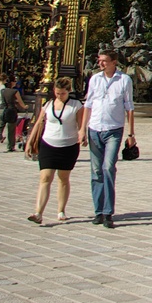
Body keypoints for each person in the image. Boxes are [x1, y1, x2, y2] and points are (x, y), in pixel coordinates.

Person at [79, 49, 136, 229]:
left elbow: (129, 107)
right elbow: (88, 104)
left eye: (104, 60)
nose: (100, 63)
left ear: (113, 62)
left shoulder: (124, 80)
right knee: (96, 170)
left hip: (113, 129)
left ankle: (108, 211)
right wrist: (82, 129)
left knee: (108, 167)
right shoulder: (95, 79)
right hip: (94, 128)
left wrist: (131, 134)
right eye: (99, 60)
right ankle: (98, 211)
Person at [25, 77, 82, 225]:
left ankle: (61, 210)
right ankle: (38, 212)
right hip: (48, 144)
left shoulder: (76, 105)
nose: (59, 96)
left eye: (62, 93)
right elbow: (38, 123)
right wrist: (30, 142)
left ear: (69, 91)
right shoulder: (48, 104)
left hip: (68, 145)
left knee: (63, 178)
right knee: (45, 177)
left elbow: (81, 125)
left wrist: (83, 136)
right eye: (57, 93)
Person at [0, 75, 26, 153]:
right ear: (12, 83)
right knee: (11, 129)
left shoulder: (3, 90)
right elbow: (20, 102)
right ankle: (10, 146)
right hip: (11, 111)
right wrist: (25, 107)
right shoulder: (15, 91)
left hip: (1, 110)